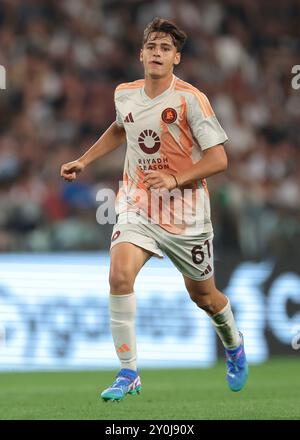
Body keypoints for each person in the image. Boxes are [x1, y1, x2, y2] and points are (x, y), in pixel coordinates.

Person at [60, 17, 248, 402]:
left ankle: (233, 341)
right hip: (138, 201)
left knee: (205, 297)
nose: (157, 54)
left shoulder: (189, 99)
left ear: (176, 58)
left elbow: (219, 158)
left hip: (186, 213)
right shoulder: (125, 94)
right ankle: (129, 372)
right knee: (118, 275)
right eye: (152, 47)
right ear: (141, 54)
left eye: (165, 48)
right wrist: (84, 160)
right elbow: (120, 128)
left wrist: (177, 180)